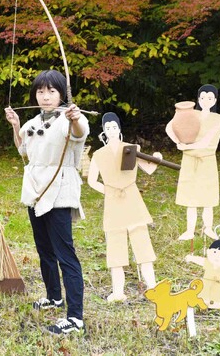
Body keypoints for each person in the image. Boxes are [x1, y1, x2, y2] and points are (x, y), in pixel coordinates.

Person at [4, 69, 89, 335]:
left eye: (51, 91)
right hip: (35, 190)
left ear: (62, 94)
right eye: (41, 91)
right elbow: (23, 149)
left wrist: (75, 118)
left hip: (59, 190)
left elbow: (80, 132)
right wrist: (17, 125)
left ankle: (75, 318)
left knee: (66, 254)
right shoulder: (32, 122)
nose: (45, 96)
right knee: (45, 250)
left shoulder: (69, 118)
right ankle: (54, 297)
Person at [87, 113, 159, 302]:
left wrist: (157, 158)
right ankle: (118, 291)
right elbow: (92, 181)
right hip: (113, 202)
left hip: (132, 198)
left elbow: (149, 168)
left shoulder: (131, 148)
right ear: (103, 131)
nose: (111, 130)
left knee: (141, 241)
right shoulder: (98, 155)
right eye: (107, 127)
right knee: (115, 245)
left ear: (119, 128)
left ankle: (153, 287)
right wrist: (108, 191)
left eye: (114, 126)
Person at [165, 84, 220, 240]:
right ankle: (189, 230)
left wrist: (185, 147)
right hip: (190, 161)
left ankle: (208, 228)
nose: (206, 100)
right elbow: (169, 127)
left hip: (207, 161)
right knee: (190, 197)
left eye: (210, 98)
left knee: (208, 198)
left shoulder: (218, 119)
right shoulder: (191, 114)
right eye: (203, 97)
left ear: (215, 100)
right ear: (198, 99)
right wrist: (177, 141)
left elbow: (207, 142)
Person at [185, 239, 220, 309]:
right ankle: (205, 301)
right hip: (207, 282)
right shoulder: (209, 263)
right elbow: (201, 261)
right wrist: (191, 258)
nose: (218, 257)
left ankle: (216, 304)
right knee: (205, 293)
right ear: (208, 251)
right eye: (214, 252)